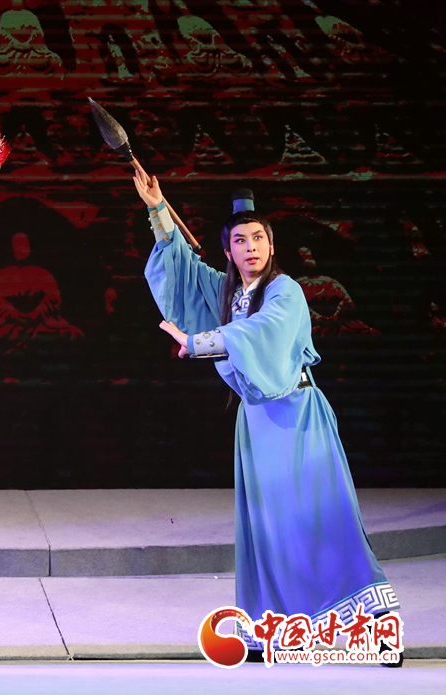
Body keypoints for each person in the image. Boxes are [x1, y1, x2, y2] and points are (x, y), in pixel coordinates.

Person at [133, 169, 401, 663]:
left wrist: (198, 342)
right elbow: (183, 269)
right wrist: (156, 209)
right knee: (268, 531)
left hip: (297, 417)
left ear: (272, 246)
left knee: (326, 522)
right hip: (257, 424)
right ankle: (272, 630)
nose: (251, 246)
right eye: (240, 240)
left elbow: (262, 333)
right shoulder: (225, 291)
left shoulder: (285, 291)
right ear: (228, 252)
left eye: (258, 238)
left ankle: (378, 629)